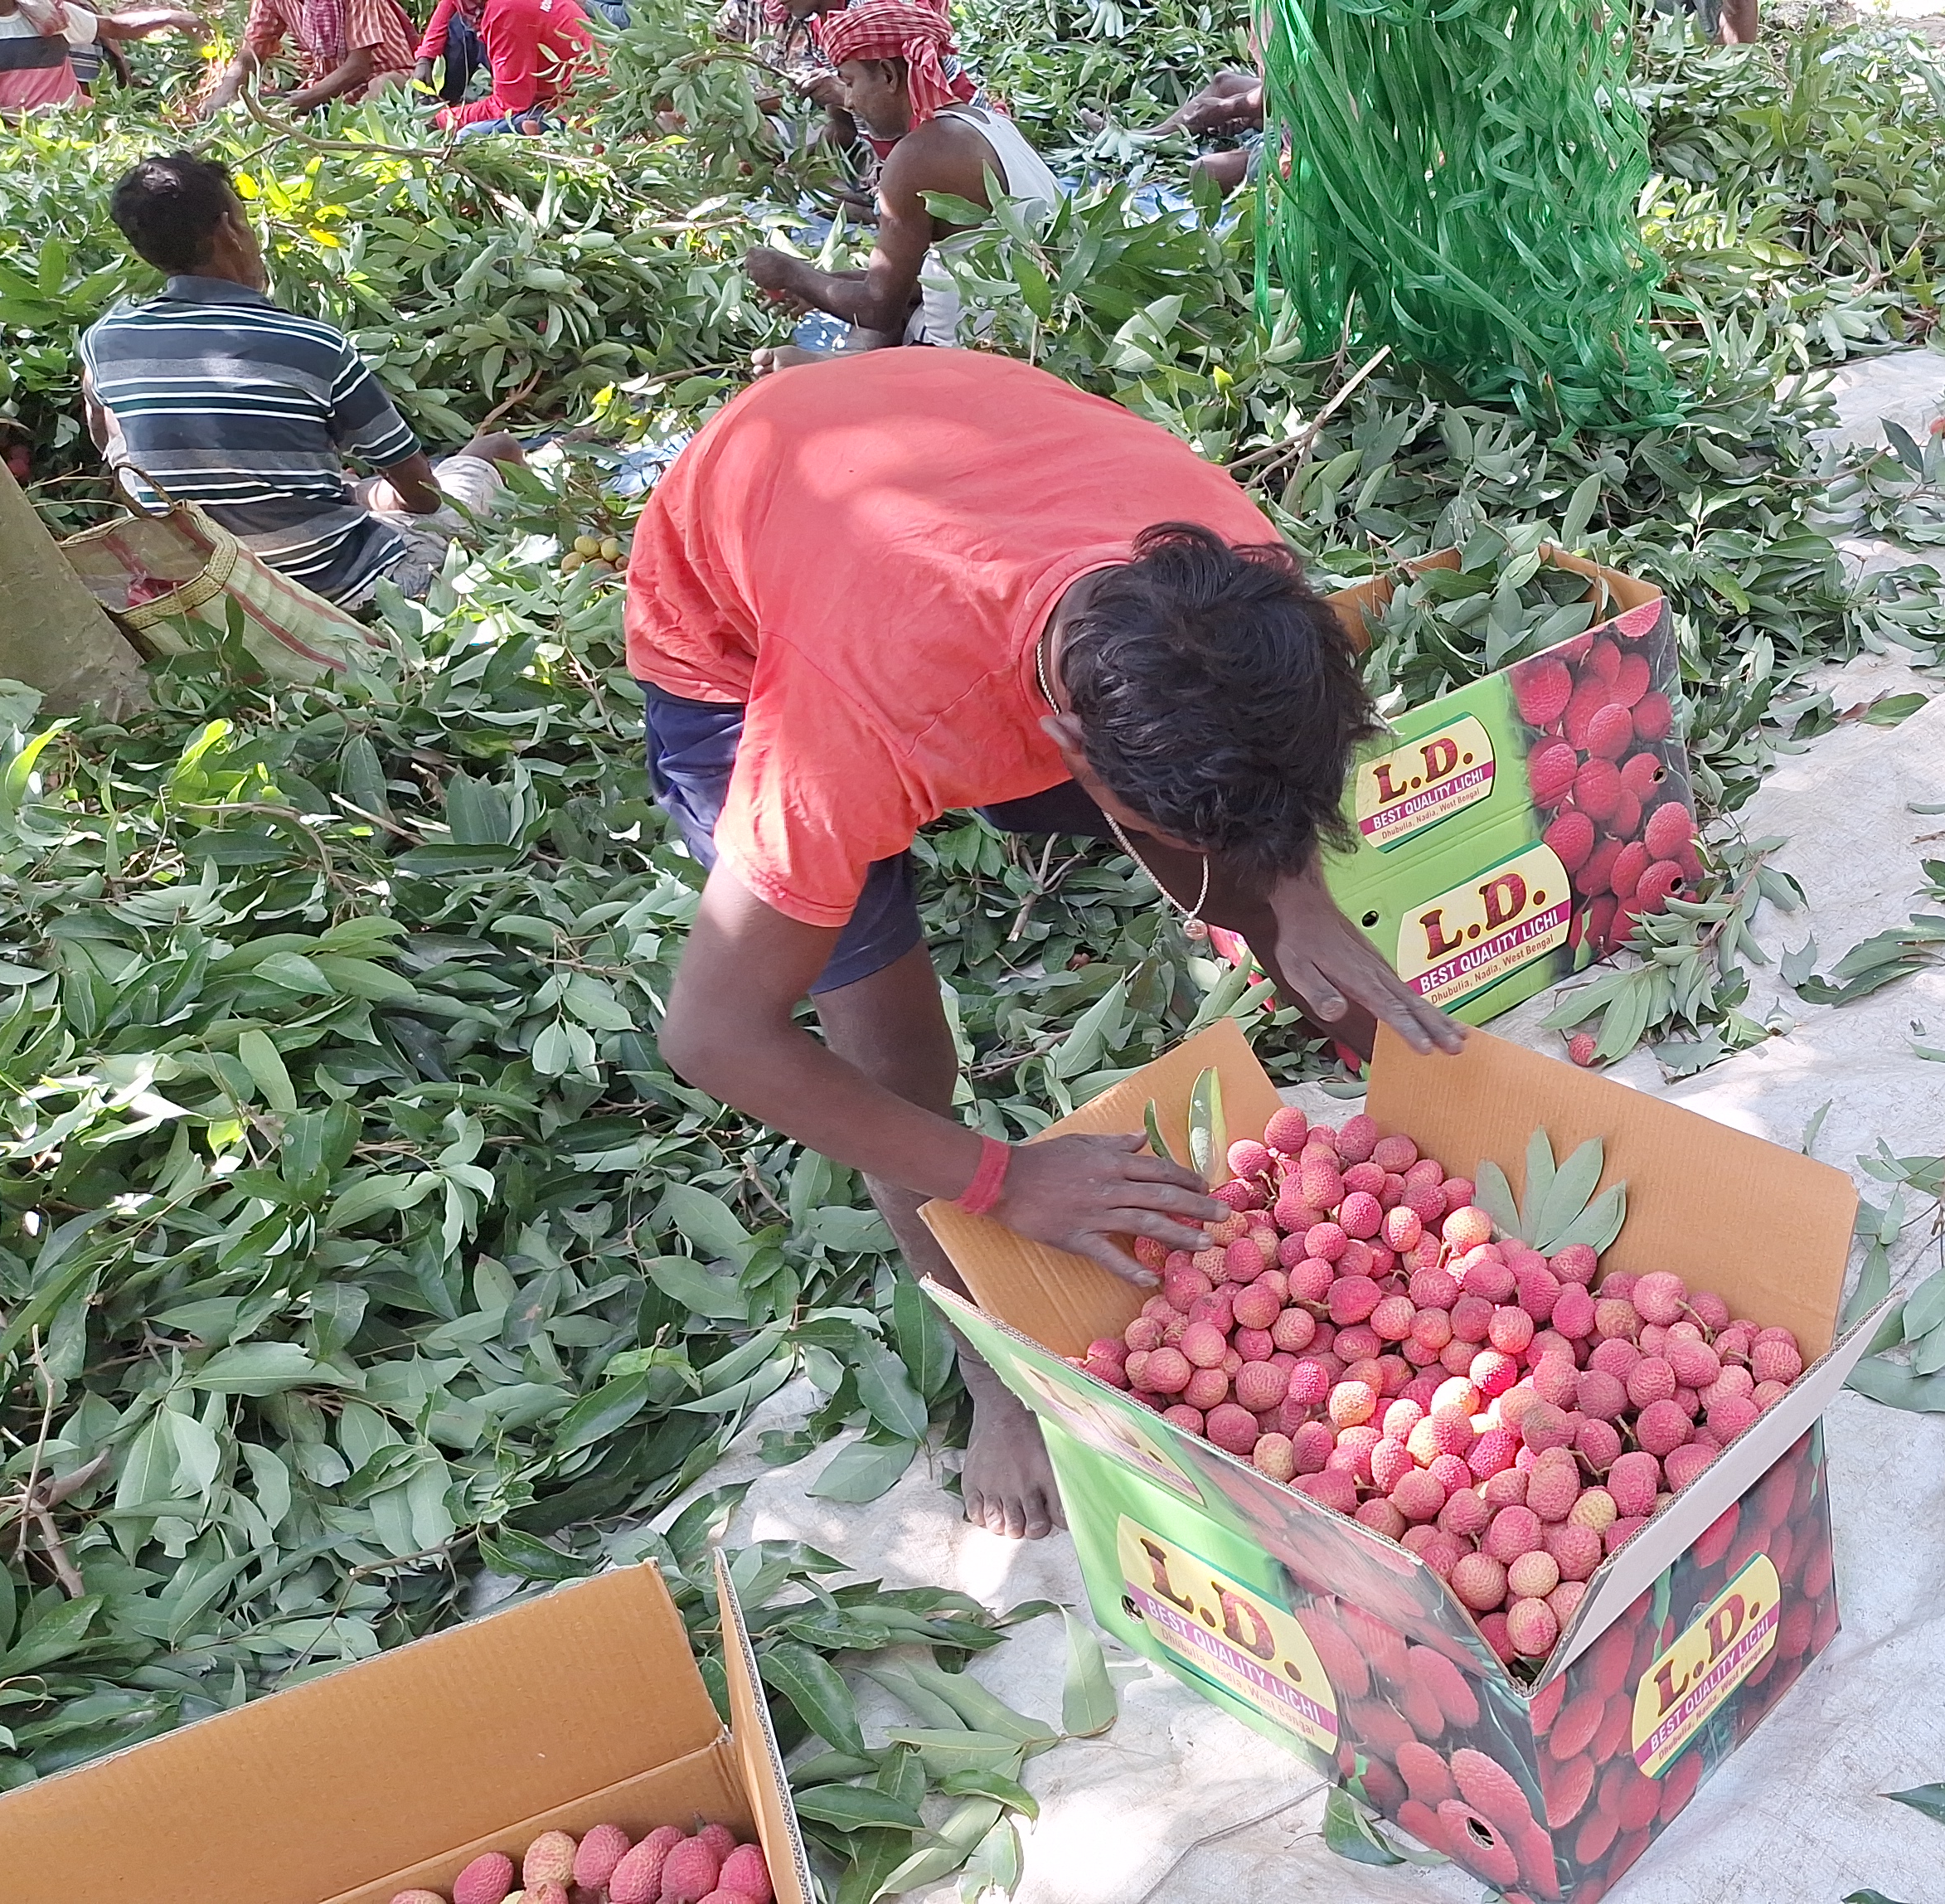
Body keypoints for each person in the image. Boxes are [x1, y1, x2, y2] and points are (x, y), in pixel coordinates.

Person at [624, 349, 1466, 1537]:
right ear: (1064, 750)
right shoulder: (851, 731)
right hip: (738, 628)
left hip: (929, 453)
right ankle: (993, 1372)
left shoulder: (1247, 584)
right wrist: (1001, 1179)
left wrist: (1299, 898)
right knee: (896, 1059)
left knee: (1251, 861)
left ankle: (1398, 1090)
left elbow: (1247, 798)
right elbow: (714, 1035)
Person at [80, 153, 523, 613]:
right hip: (348, 586)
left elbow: (121, 462)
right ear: (231, 229)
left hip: (218, 590)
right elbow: (423, 497)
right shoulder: (314, 347)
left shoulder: (104, 344)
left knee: (357, 491)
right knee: (496, 451)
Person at [739, 0, 1052, 357]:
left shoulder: (919, 156)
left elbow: (881, 308)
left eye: (850, 82)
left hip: (975, 352)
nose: (850, 102)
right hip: (1033, 330)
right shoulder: (985, 122)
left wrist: (790, 273)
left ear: (888, 75)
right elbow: (918, 278)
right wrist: (821, 284)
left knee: (788, 364)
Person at [0, 0, 192, 113]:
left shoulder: (49, 14)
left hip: (72, 123)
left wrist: (169, 17)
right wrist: (24, 121)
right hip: (8, 138)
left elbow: (113, 28)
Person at [193, 0, 416, 115]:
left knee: (384, 87)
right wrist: (225, 90)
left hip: (383, 77)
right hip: (330, 89)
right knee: (253, 105)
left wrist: (295, 104)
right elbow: (252, 52)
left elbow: (358, 68)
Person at [411, 0, 590, 134]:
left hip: (572, 109)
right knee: (461, 25)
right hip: (548, 69)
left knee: (467, 136)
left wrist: (446, 120)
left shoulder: (506, 12)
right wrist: (426, 55)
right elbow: (450, 3)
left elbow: (511, 104)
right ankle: (436, 104)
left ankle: (437, 118)